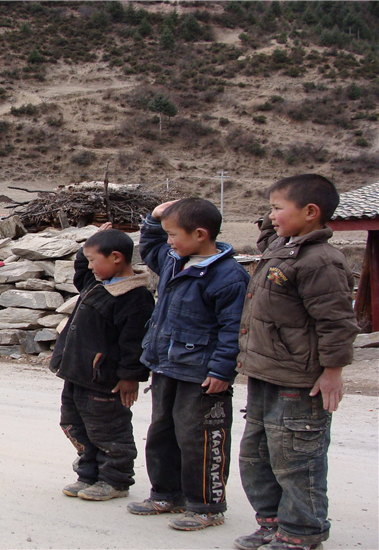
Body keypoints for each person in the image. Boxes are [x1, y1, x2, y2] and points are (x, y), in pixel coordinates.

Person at [233, 174, 359, 550]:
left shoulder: (321, 261)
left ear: (310, 212)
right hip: (264, 373)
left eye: (277, 208)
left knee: (296, 459)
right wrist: (270, 219)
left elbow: (337, 323)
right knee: (257, 456)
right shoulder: (281, 247)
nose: (270, 216)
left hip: (299, 380)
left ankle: (302, 531)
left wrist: (333, 371)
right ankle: (271, 522)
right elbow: (267, 234)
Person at [127, 198, 250, 531]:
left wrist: (222, 371)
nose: (168, 242)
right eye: (166, 235)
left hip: (201, 373)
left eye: (173, 235)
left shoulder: (228, 276)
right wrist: (153, 220)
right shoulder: (174, 260)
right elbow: (152, 246)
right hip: (166, 364)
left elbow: (233, 329)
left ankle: (206, 506)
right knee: (162, 432)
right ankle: (166, 493)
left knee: (200, 439)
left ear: (200, 234)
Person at [49, 225, 155, 502]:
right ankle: (88, 474)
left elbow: (134, 343)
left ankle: (115, 480)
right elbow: (82, 271)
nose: (90, 266)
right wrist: (90, 242)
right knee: (74, 424)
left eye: (94, 259)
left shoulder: (135, 296)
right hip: (76, 373)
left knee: (108, 430)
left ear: (116, 257)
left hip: (104, 380)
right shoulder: (95, 283)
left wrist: (131, 376)